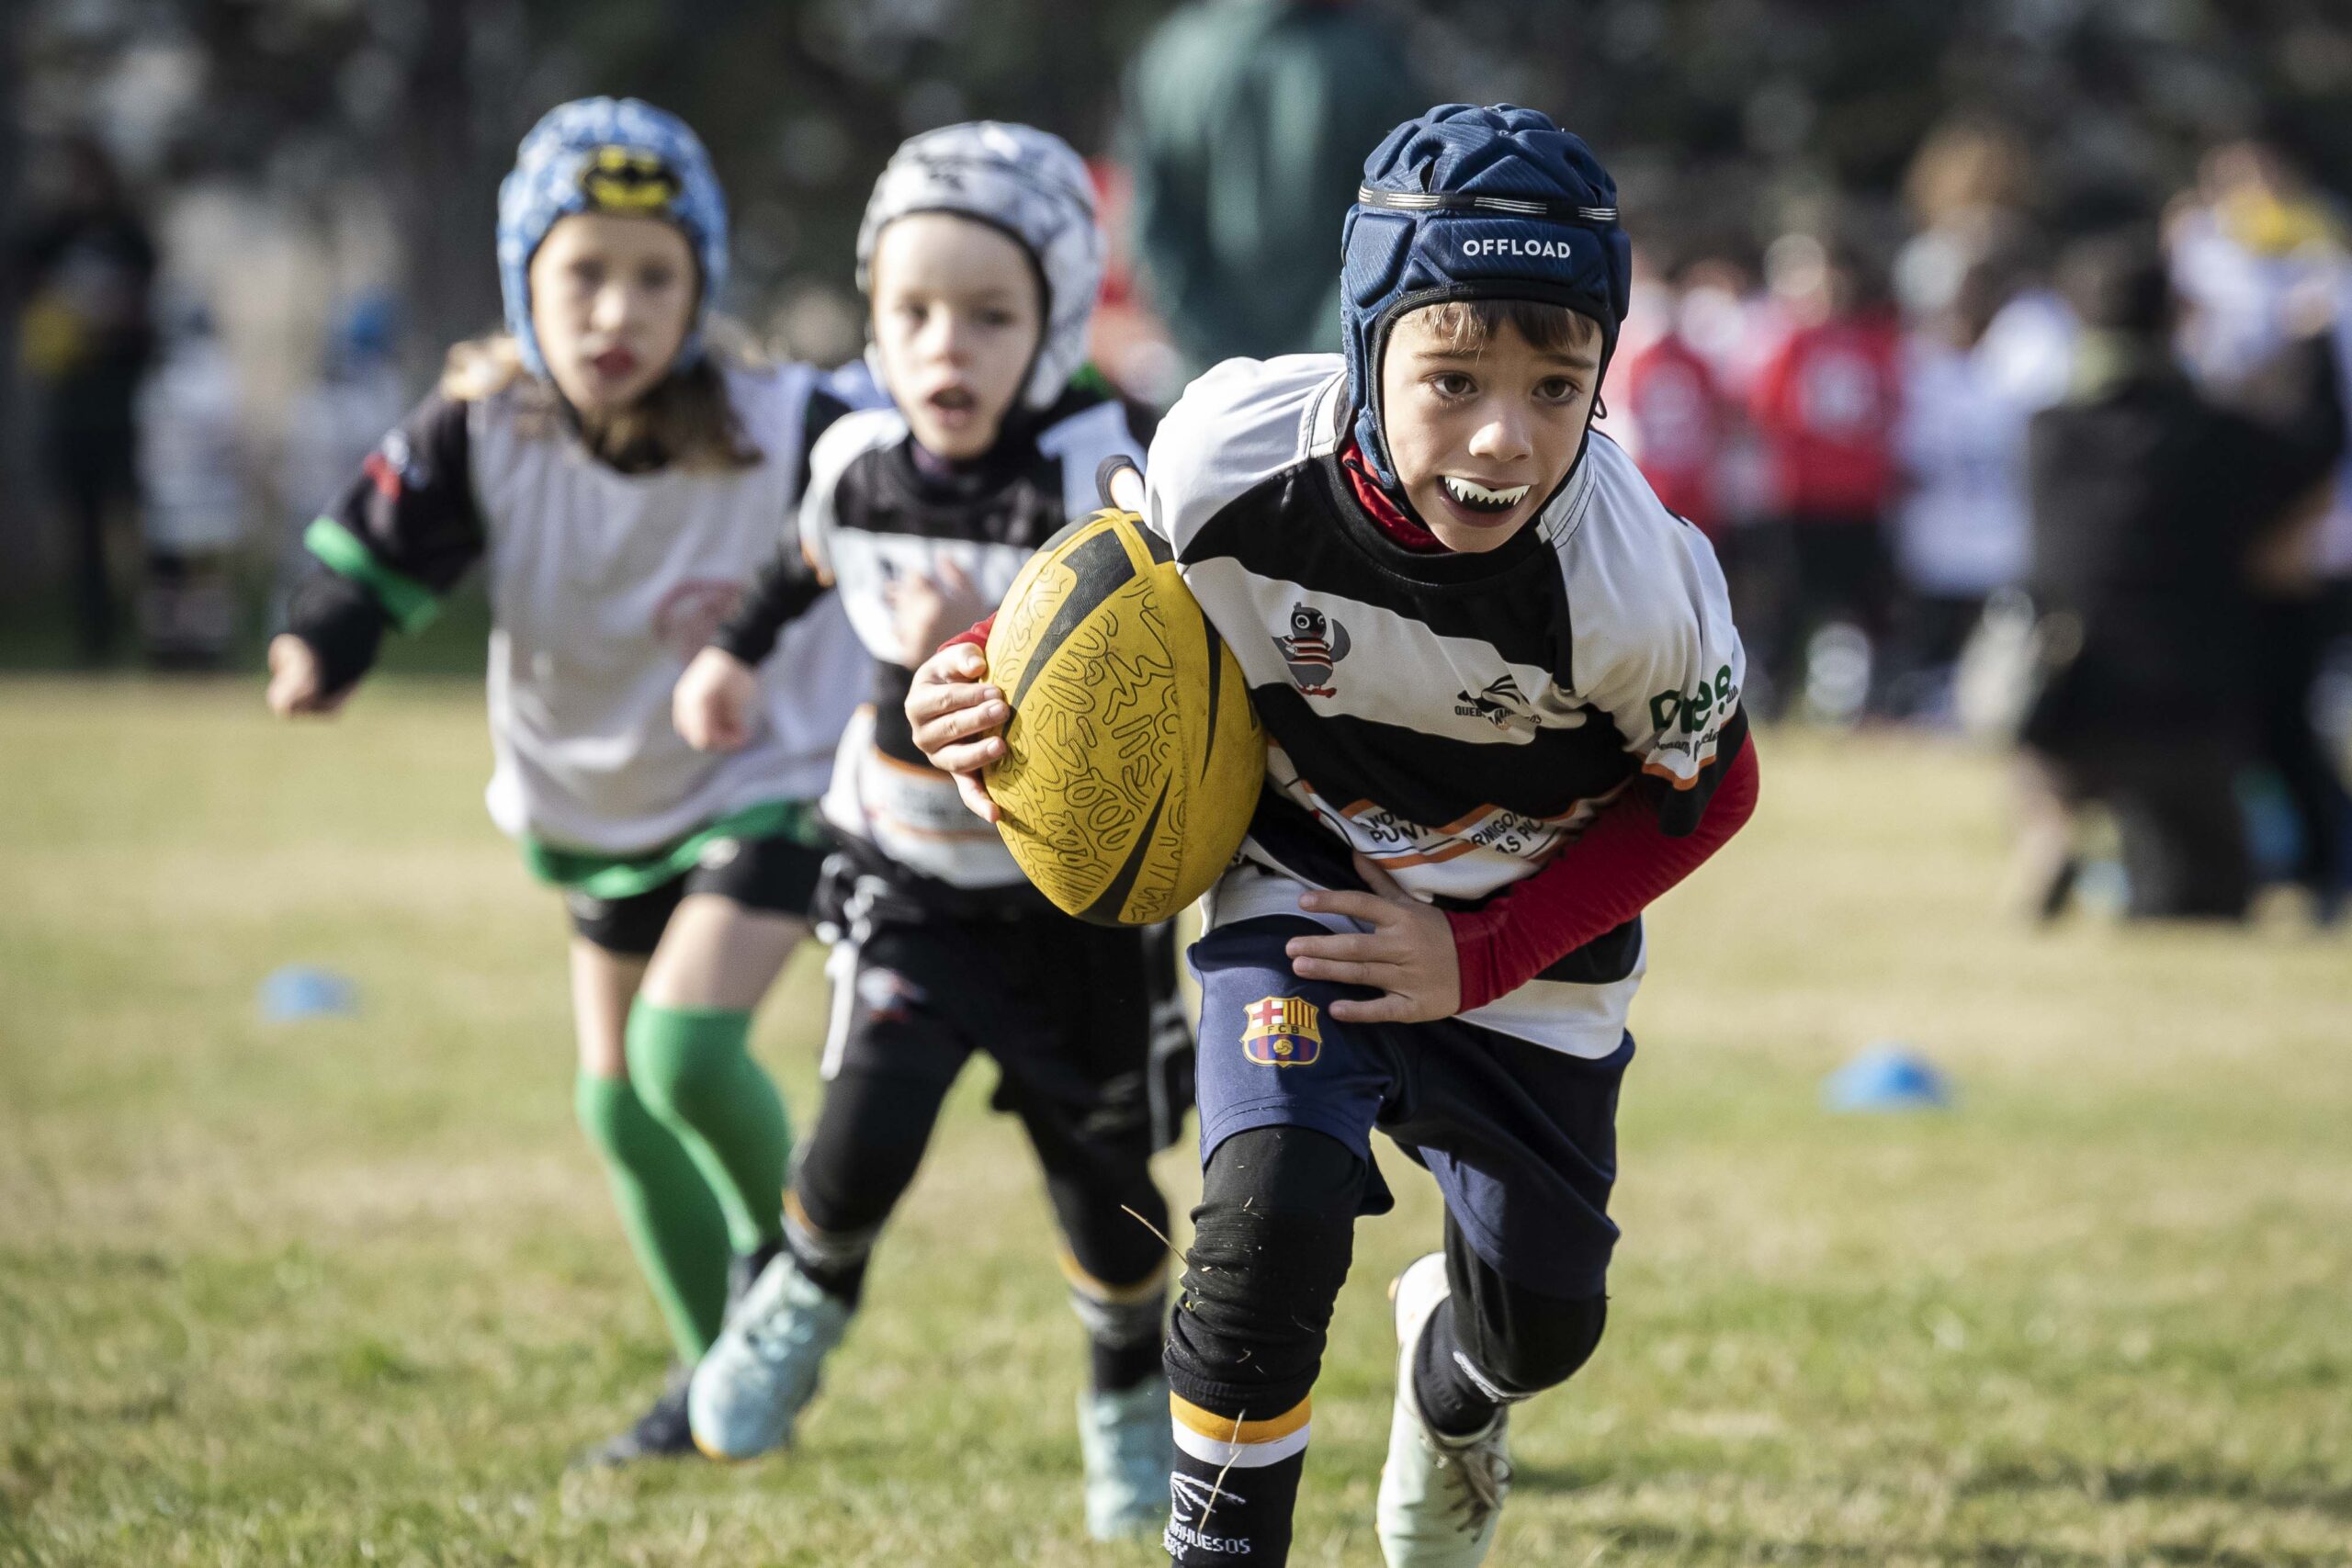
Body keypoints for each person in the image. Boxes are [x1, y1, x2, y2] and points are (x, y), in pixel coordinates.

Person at [910, 105, 1760, 1567]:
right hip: (1298, 881)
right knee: (1266, 1214)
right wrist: (979, 676)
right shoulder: (1224, 452)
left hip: (1526, 947)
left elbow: (1712, 792)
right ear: (1367, 349)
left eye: (1560, 386)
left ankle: (1454, 1377)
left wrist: (1476, 950)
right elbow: (1111, 612)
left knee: (1543, 1323)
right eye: (1452, 377)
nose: (1505, 434)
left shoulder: (1635, 580)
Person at [264, 98, 871, 1462]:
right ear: (522, 285)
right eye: (580, 272)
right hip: (601, 805)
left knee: (682, 1046)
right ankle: (723, 1393)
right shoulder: (486, 427)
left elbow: (941, 476)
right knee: (612, 1098)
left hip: (772, 776)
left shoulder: (791, 421)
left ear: (702, 287)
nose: (617, 308)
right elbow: (369, 546)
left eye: (655, 275)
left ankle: (797, 1282)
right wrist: (319, 640)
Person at [670, 122, 1182, 1541]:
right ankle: (805, 1294)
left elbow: (1201, 646)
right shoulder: (854, 466)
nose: (943, 346)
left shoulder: (1110, 472)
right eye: (910, 312)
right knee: (854, 1139)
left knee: (1105, 1193)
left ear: (1062, 319)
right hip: (902, 870)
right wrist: (728, 657)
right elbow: (795, 565)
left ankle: (1128, 1395)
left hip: (1079, 903)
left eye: (991, 313)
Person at [2015, 228, 2343, 919]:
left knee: (2049, 755)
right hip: (2192, 713)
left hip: (2067, 708)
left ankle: (2050, 827)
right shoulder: (2213, 439)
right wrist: (2312, 345)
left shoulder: (2047, 435)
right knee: (2202, 902)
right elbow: (2314, 450)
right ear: (2177, 317)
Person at [1119, 0, 1427, 384]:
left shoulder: (1172, 57)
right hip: (1343, 382)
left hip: (1210, 386)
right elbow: (1407, 219)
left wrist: (1215, 350)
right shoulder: (1369, 58)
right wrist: (1331, 344)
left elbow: (1152, 234)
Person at [13, 133, 156, 663]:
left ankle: (143, 624)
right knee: (81, 521)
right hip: (70, 399)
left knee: (131, 518)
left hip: (119, 401)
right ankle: (92, 634)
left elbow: (147, 312)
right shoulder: (53, 235)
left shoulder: (128, 237)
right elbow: (22, 274)